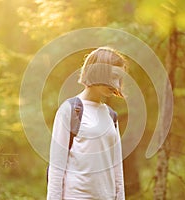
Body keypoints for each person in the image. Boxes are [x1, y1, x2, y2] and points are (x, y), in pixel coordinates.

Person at [47, 47, 126, 200]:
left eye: (120, 79)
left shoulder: (111, 115)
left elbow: (117, 169)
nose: (117, 85)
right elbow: (56, 169)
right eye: (114, 76)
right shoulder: (70, 110)